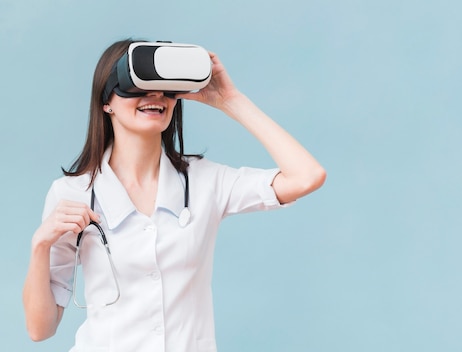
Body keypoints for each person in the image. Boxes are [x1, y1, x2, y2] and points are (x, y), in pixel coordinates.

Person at [22, 38, 326, 351]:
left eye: (165, 88)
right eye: (137, 86)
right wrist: (40, 245)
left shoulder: (205, 180)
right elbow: (39, 329)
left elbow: (307, 176)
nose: (155, 96)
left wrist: (231, 100)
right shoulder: (72, 193)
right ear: (106, 101)